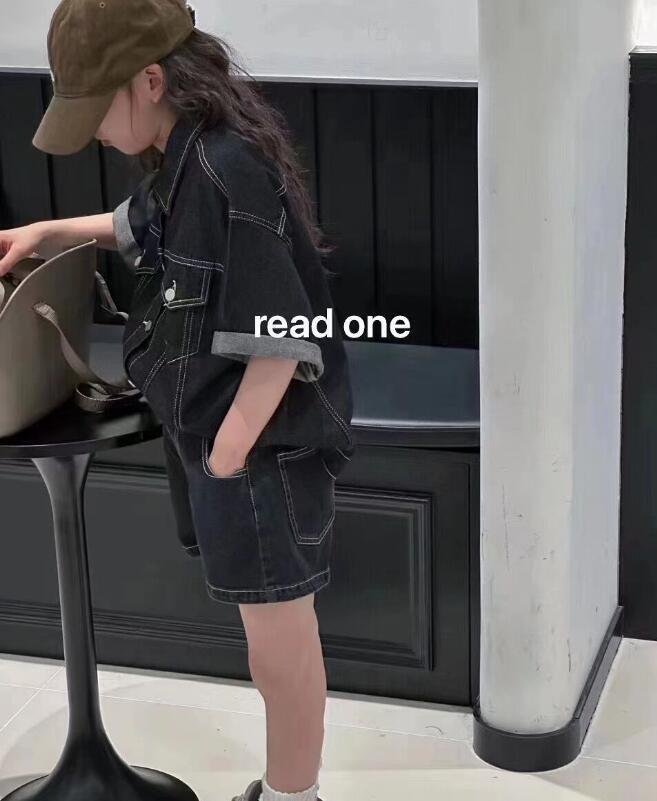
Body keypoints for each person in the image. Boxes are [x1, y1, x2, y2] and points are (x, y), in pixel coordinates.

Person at [0, 2, 356, 801]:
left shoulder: (225, 168)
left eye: (98, 110)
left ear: (151, 81)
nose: (94, 132)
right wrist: (49, 232)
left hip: (260, 448)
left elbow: (282, 334)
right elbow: (142, 225)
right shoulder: (190, 155)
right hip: (233, 439)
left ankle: (293, 796)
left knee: (278, 646)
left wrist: (227, 454)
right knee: (272, 639)